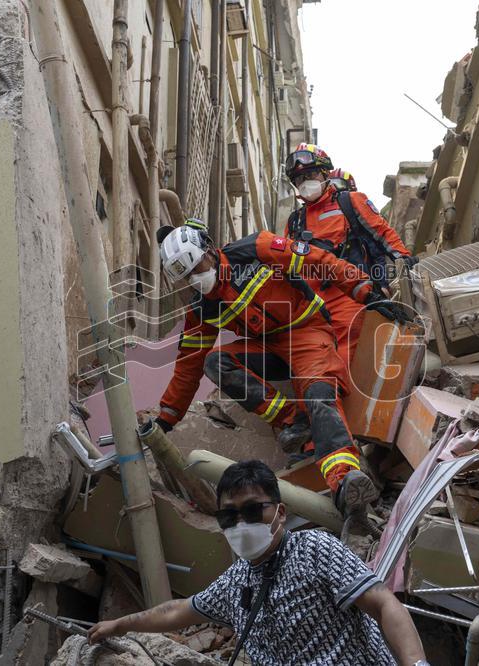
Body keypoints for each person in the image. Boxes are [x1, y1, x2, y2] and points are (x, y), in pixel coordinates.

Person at [151, 223, 408, 518]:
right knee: (215, 363)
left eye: (199, 267)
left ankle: (344, 478)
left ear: (210, 249)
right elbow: (188, 364)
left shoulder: (255, 250)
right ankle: (293, 419)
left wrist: (365, 291)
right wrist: (166, 418)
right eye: (188, 277)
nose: (197, 279)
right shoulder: (201, 309)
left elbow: (319, 261)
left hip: (307, 329)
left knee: (318, 392)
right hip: (269, 347)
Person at [87, 460, 430, 666]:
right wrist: (121, 625)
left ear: (279, 512)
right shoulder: (235, 583)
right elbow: (178, 611)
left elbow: (384, 604)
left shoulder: (315, 549)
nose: (240, 523)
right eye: (228, 515)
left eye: (252, 510)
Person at [284, 144, 412, 369]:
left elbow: (381, 233)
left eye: (310, 174)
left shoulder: (350, 202)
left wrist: (403, 259)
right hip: (312, 306)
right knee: (313, 364)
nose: (305, 182)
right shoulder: (294, 221)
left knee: (343, 360)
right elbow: (287, 263)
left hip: (351, 296)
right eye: (299, 179)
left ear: (325, 173)